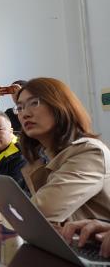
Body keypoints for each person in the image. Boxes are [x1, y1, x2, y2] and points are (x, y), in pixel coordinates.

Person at [17, 77, 110, 223]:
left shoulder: (90, 152)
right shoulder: (44, 156)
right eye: (19, 108)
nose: (24, 114)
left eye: (34, 103)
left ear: (60, 105)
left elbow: (39, 212)